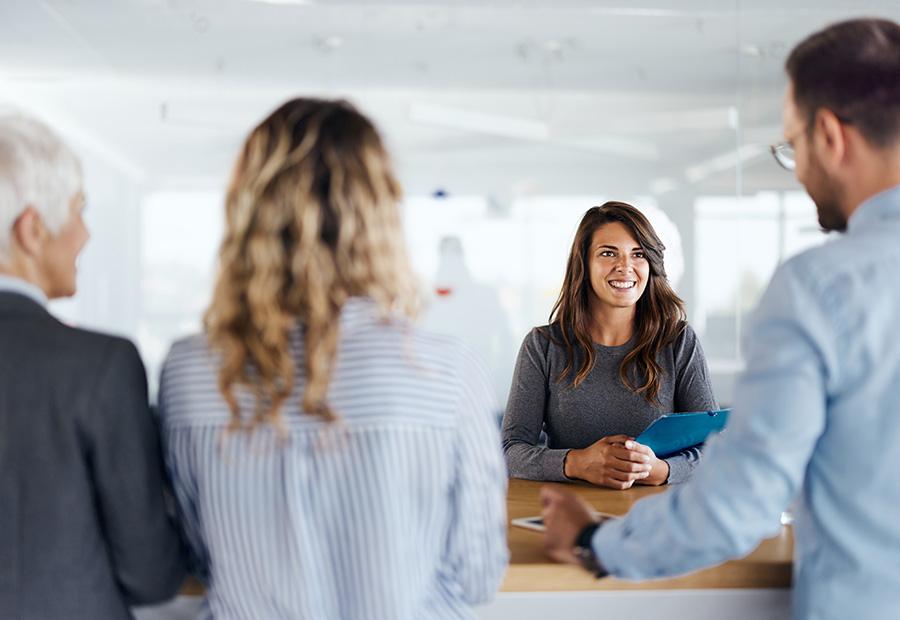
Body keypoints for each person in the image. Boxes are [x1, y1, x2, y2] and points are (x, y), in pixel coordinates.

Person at [541, 17, 900, 620]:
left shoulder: (822, 287)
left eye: (793, 147)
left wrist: (592, 540)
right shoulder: (544, 344)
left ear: (831, 137)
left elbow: (737, 503)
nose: (801, 172)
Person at [157, 98, 508, 619]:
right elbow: (476, 576)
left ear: (248, 211)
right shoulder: (446, 371)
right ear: (380, 215)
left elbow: (200, 555)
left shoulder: (189, 370)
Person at [0, 115, 185, 618]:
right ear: (32, 230)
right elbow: (149, 574)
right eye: (80, 211)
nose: (84, 234)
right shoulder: (98, 367)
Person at [503, 202, 717, 488]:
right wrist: (577, 463)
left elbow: (715, 450)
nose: (624, 267)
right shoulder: (543, 346)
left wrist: (662, 470)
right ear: (584, 264)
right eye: (608, 253)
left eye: (638, 254)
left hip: (658, 517)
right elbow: (510, 452)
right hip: (571, 512)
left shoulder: (678, 342)